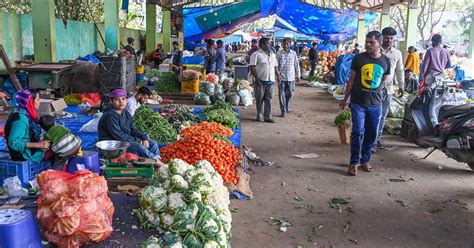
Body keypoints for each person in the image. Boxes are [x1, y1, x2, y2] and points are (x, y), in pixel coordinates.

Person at [340, 31, 391, 176]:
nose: (368, 44)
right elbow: (351, 81)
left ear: (379, 44)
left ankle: (365, 160)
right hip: (358, 102)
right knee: (357, 131)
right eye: (367, 41)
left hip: (376, 104)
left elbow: (384, 80)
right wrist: (345, 100)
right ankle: (353, 162)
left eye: (371, 42)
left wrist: (378, 93)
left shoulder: (385, 61)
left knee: (372, 133)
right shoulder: (358, 58)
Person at [98, 88, 163, 161]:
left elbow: (133, 129)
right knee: (139, 146)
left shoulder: (125, 113)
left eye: (123, 99)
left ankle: (155, 161)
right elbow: (119, 136)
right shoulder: (109, 115)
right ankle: (155, 161)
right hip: (113, 144)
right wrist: (138, 141)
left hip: (124, 141)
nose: (121, 102)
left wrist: (143, 137)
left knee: (153, 143)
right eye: (117, 99)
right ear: (111, 101)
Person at [373, 27, 404, 151]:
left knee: (383, 116)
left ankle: (377, 139)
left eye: (391, 38)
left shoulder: (397, 53)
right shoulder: (375, 50)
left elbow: (400, 70)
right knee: (374, 115)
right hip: (374, 88)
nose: (389, 40)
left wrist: (401, 86)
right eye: (387, 37)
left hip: (388, 89)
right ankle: (371, 140)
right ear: (382, 37)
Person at [4, 88, 50, 163]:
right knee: (60, 151)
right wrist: (38, 145)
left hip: (27, 150)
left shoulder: (23, 112)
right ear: (30, 102)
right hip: (23, 155)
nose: (39, 102)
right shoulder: (21, 120)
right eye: (37, 99)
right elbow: (14, 143)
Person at [420, 34, 451, 127]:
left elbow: (424, 68)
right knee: (437, 104)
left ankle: (435, 127)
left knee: (430, 106)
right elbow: (449, 65)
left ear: (433, 42)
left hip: (431, 80)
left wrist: (421, 80)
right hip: (441, 79)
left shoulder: (430, 51)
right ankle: (436, 124)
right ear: (441, 42)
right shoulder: (446, 51)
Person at [250, 37, 280, 123]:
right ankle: (259, 115)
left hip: (271, 81)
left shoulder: (272, 54)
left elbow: (275, 65)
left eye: (269, 43)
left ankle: (268, 117)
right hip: (260, 81)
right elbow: (252, 67)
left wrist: (278, 76)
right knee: (259, 99)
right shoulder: (256, 54)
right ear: (262, 45)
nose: (269, 45)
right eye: (267, 43)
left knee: (269, 99)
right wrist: (257, 79)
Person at [277, 37, 300, 117]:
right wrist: (277, 75)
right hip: (281, 77)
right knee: (281, 94)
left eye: (287, 44)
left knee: (290, 93)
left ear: (290, 44)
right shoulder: (279, 53)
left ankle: (287, 107)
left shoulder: (293, 53)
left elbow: (296, 65)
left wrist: (298, 75)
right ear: (282, 44)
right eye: (284, 43)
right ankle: (283, 111)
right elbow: (276, 66)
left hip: (291, 77)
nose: (286, 45)